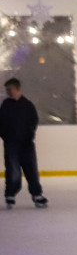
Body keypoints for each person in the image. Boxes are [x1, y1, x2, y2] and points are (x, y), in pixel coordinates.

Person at [0, 77, 47, 209]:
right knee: (13, 170)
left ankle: (37, 194)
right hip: (11, 144)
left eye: (10, 89)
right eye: (7, 90)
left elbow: (34, 120)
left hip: (27, 144)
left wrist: (30, 134)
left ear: (17, 89)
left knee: (31, 170)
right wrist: (5, 136)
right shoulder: (5, 105)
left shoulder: (27, 105)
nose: (8, 92)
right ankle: (10, 194)